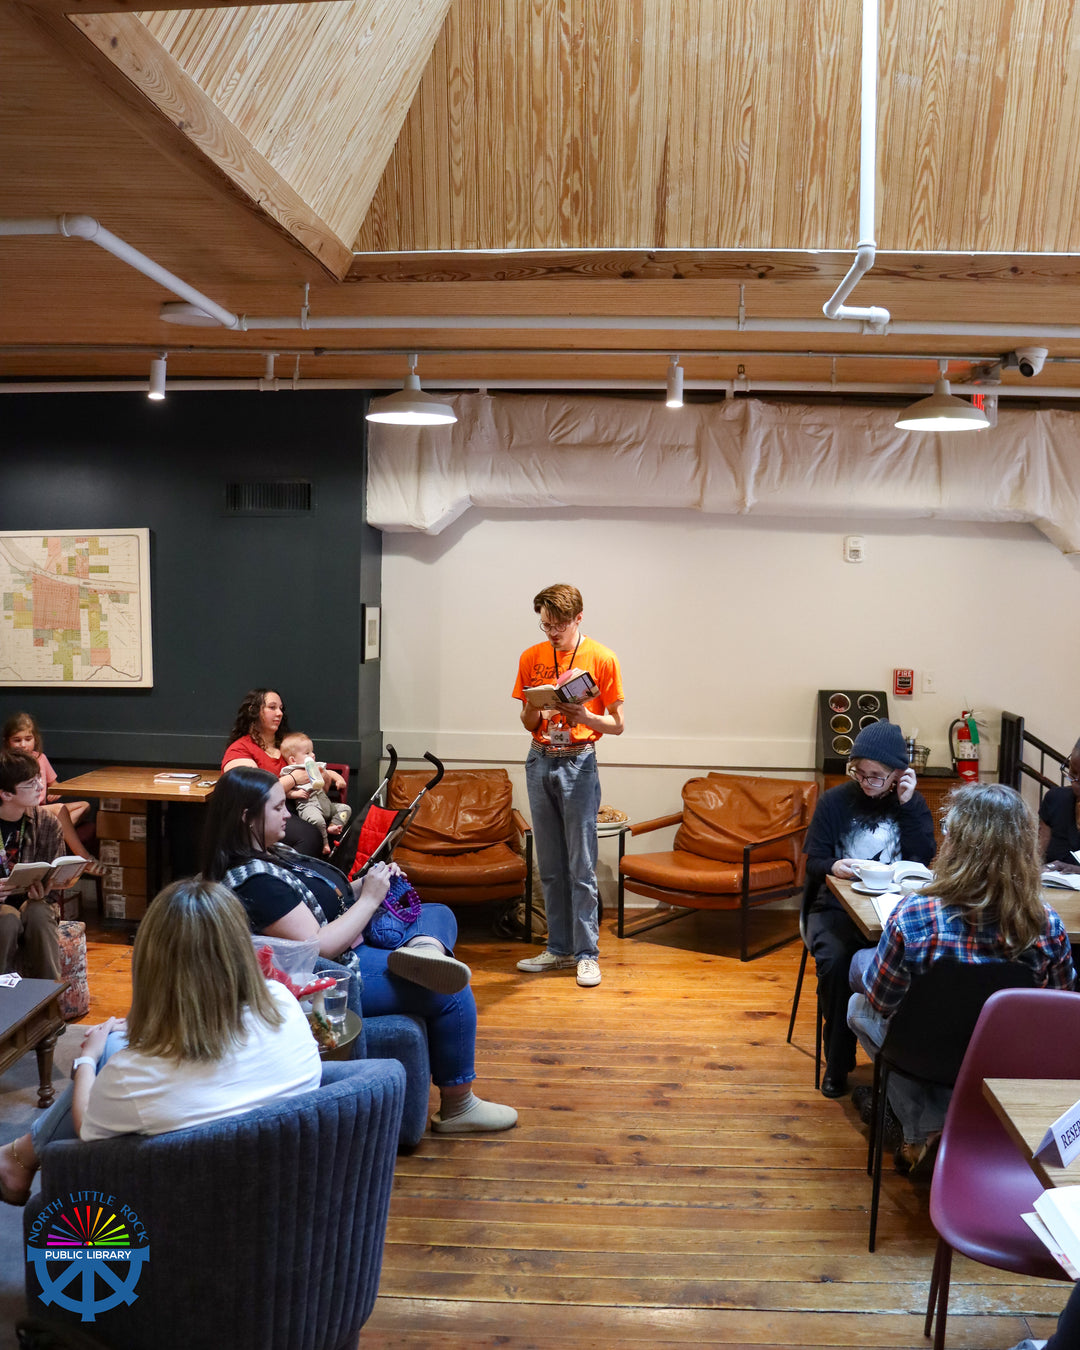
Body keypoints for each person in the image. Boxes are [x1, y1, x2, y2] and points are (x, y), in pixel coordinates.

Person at [200, 767, 517, 1134]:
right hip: (335, 977)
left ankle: (426, 954)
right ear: (247, 817)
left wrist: (365, 885)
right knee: (451, 991)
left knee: (438, 913)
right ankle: (459, 1107)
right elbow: (320, 947)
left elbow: (324, 902)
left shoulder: (272, 854)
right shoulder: (256, 883)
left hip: (351, 943)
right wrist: (370, 899)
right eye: (277, 807)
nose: (287, 813)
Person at [0, 877, 321, 1206]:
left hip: (178, 1211)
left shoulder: (131, 1075)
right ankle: (17, 1156)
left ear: (150, 966)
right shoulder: (283, 1003)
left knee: (108, 1049)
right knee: (116, 1044)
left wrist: (87, 1058)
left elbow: (85, 1126)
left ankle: (18, 1156)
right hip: (283, 1199)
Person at [847, 782, 1074, 1175]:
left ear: (957, 843)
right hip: (1004, 1057)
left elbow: (882, 1001)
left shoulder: (914, 915)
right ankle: (961, 1121)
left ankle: (926, 1129)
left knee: (857, 1008)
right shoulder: (1046, 924)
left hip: (926, 1053)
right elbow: (1060, 1009)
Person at [802, 720, 936, 1099]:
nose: (866, 782)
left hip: (894, 912)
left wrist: (909, 805)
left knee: (921, 962)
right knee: (837, 963)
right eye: (859, 773)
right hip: (835, 907)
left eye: (876, 776)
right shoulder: (834, 801)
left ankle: (904, 1063)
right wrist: (834, 865)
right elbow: (814, 861)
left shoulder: (910, 804)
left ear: (897, 775)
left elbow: (922, 859)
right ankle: (838, 1058)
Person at [513, 584, 624, 989]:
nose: (552, 633)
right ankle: (558, 948)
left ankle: (586, 954)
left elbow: (618, 724)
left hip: (578, 760)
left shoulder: (602, 657)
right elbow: (526, 722)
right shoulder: (531, 657)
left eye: (559, 625)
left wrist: (583, 715)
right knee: (550, 864)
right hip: (539, 757)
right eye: (546, 625)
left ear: (578, 618)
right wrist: (534, 705)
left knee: (581, 864)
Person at [221, 688, 346, 856]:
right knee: (310, 836)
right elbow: (251, 794)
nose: (279, 713)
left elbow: (320, 789)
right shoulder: (241, 749)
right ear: (253, 711)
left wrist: (322, 777)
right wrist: (293, 779)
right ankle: (283, 872)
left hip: (300, 805)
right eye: (272, 707)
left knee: (333, 826)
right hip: (262, 815)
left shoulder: (288, 745)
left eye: (281, 708)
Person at [0, 750, 67, 982]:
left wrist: (45, 890)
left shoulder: (47, 823)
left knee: (39, 913)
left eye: (39, 778)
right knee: (7, 920)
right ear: (6, 794)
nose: (40, 786)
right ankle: (5, 997)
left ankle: (49, 996)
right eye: (30, 783)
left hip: (33, 902)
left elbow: (55, 882)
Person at [2, 712, 99, 870]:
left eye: (28, 739)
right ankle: (84, 857)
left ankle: (54, 831)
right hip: (26, 810)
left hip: (41, 809)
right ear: (7, 741)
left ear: (35, 739)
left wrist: (55, 791)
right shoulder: (7, 764)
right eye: (17, 740)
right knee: (59, 809)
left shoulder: (40, 758)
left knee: (84, 805)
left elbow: (54, 785)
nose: (23, 745)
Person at [280, 730, 352, 855]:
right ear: (293, 760)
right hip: (308, 805)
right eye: (307, 753)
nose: (312, 755)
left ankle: (333, 825)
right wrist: (295, 794)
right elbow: (285, 791)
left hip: (325, 802)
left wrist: (339, 780)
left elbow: (330, 773)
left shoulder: (315, 766)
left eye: (312, 751)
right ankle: (324, 843)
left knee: (345, 809)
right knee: (317, 821)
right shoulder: (290, 771)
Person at [1038, 736, 1080, 873]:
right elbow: (1037, 855)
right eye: (1072, 774)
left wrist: (1075, 869)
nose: (1075, 783)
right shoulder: (1055, 799)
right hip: (1051, 886)